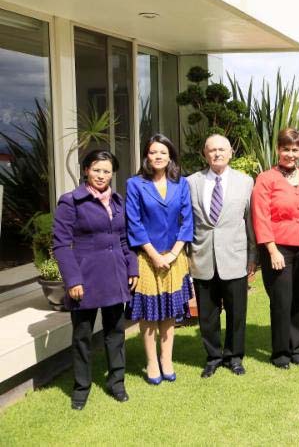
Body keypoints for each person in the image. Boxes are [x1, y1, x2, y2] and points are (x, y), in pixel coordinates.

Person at [52, 150, 138, 410]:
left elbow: (124, 239)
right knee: (82, 336)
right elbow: (61, 245)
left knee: (115, 333)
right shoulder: (70, 202)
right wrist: (72, 280)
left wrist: (132, 268)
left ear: (113, 174)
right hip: (84, 281)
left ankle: (117, 382)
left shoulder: (117, 201)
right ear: (86, 170)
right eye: (97, 170)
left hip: (115, 277)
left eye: (107, 171)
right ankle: (81, 388)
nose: (102, 175)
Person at [126, 134, 194, 384]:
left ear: (170, 156)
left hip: (175, 257)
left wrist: (175, 253)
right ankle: (152, 361)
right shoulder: (135, 184)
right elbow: (133, 223)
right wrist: (154, 255)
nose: (158, 157)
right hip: (147, 257)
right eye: (153, 152)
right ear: (146, 155)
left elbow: (187, 221)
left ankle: (167, 358)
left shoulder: (181, 184)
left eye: (163, 153)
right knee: (149, 314)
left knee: (169, 312)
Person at [187, 134, 255, 378]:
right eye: (212, 150)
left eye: (221, 149)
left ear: (230, 153)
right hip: (202, 257)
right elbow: (187, 222)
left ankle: (234, 357)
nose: (217, 154)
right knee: (207, 314)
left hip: (235, 257)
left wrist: (252, 256)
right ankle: (213, 356)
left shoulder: (246, 182)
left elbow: (250, 222)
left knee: (237, 313)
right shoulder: (191, 182)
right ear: (204, 154)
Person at [251, 128, 299, 369]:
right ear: (278, 150)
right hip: (278, 249)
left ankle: (297, 348)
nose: (291, 154)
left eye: (295, 149)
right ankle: (281, 353)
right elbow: (260, 216)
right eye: (286, 149)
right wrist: (271, 249)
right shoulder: (266, 179)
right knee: (281, 300)